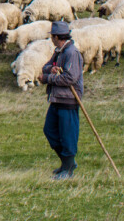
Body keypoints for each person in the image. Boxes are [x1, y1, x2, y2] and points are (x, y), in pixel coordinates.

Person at [38, 21, 83, 180]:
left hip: (68, 99)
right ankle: (66, 163)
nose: (51, 38)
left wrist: (47, 78)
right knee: (49, 130)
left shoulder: (72, 52)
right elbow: (46, 66)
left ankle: (68, 168)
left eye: (52, 36)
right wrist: (51, 69)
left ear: (57, 37)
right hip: (56, 98)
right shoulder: (59, 51)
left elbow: (70, 78)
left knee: (67, 134)